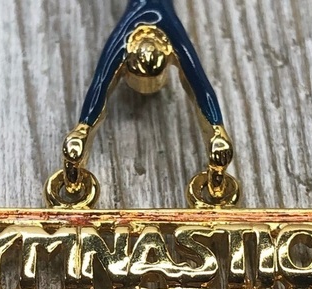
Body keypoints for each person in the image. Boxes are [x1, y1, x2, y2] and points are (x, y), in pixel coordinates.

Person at [62, 0, 235, 202]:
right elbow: (201, 88)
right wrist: (216, 131)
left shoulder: (125, 38)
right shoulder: (169, 32)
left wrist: (82, 131)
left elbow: (100, 87)